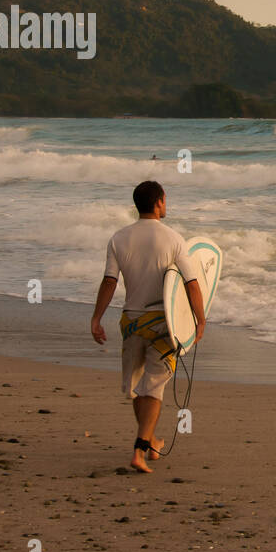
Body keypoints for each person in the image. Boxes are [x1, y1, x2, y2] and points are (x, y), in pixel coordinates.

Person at [90, 181, 205, 473]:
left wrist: (96, 318)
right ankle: (140, 450)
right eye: (165, 201)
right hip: (163, 325)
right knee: (152, 388)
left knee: (138, 387)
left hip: (132, 323)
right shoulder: (173, 239)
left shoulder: (119, 238)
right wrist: (199, 320)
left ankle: (152, 440)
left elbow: (109, 282)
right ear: (159, 202)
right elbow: (192, 284)